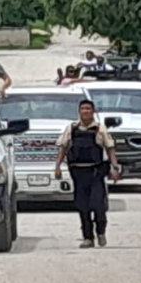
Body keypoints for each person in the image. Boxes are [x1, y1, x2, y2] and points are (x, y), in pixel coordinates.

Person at [53, 99, 122, 248]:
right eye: (83, 109)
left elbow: (110, 149)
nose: (85, 111)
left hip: (96, 173)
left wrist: (115, 169)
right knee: (82, 206)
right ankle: (88, 237)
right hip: (78, 173)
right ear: (79, 111)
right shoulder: (71, 129)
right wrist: (57, 167)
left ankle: (101, 232)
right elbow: (63, 148)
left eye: (88, 109)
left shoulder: (100, 129)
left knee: (98, 205)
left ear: (93, 111)